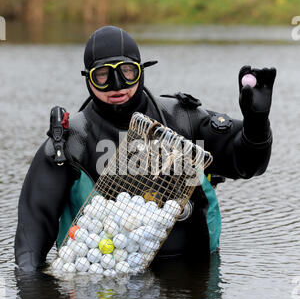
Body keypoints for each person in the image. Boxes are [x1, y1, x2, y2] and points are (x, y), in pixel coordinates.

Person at [15, 26, 276, 272]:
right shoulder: (71, 142)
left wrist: (256, 124)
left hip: (194, 277)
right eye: (102, 75)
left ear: (141, 70)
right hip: (103, 284)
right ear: (88, 79)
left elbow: (248, 165)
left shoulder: (183, 120)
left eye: (127, 72)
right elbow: (31, 238)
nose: (117, 85)